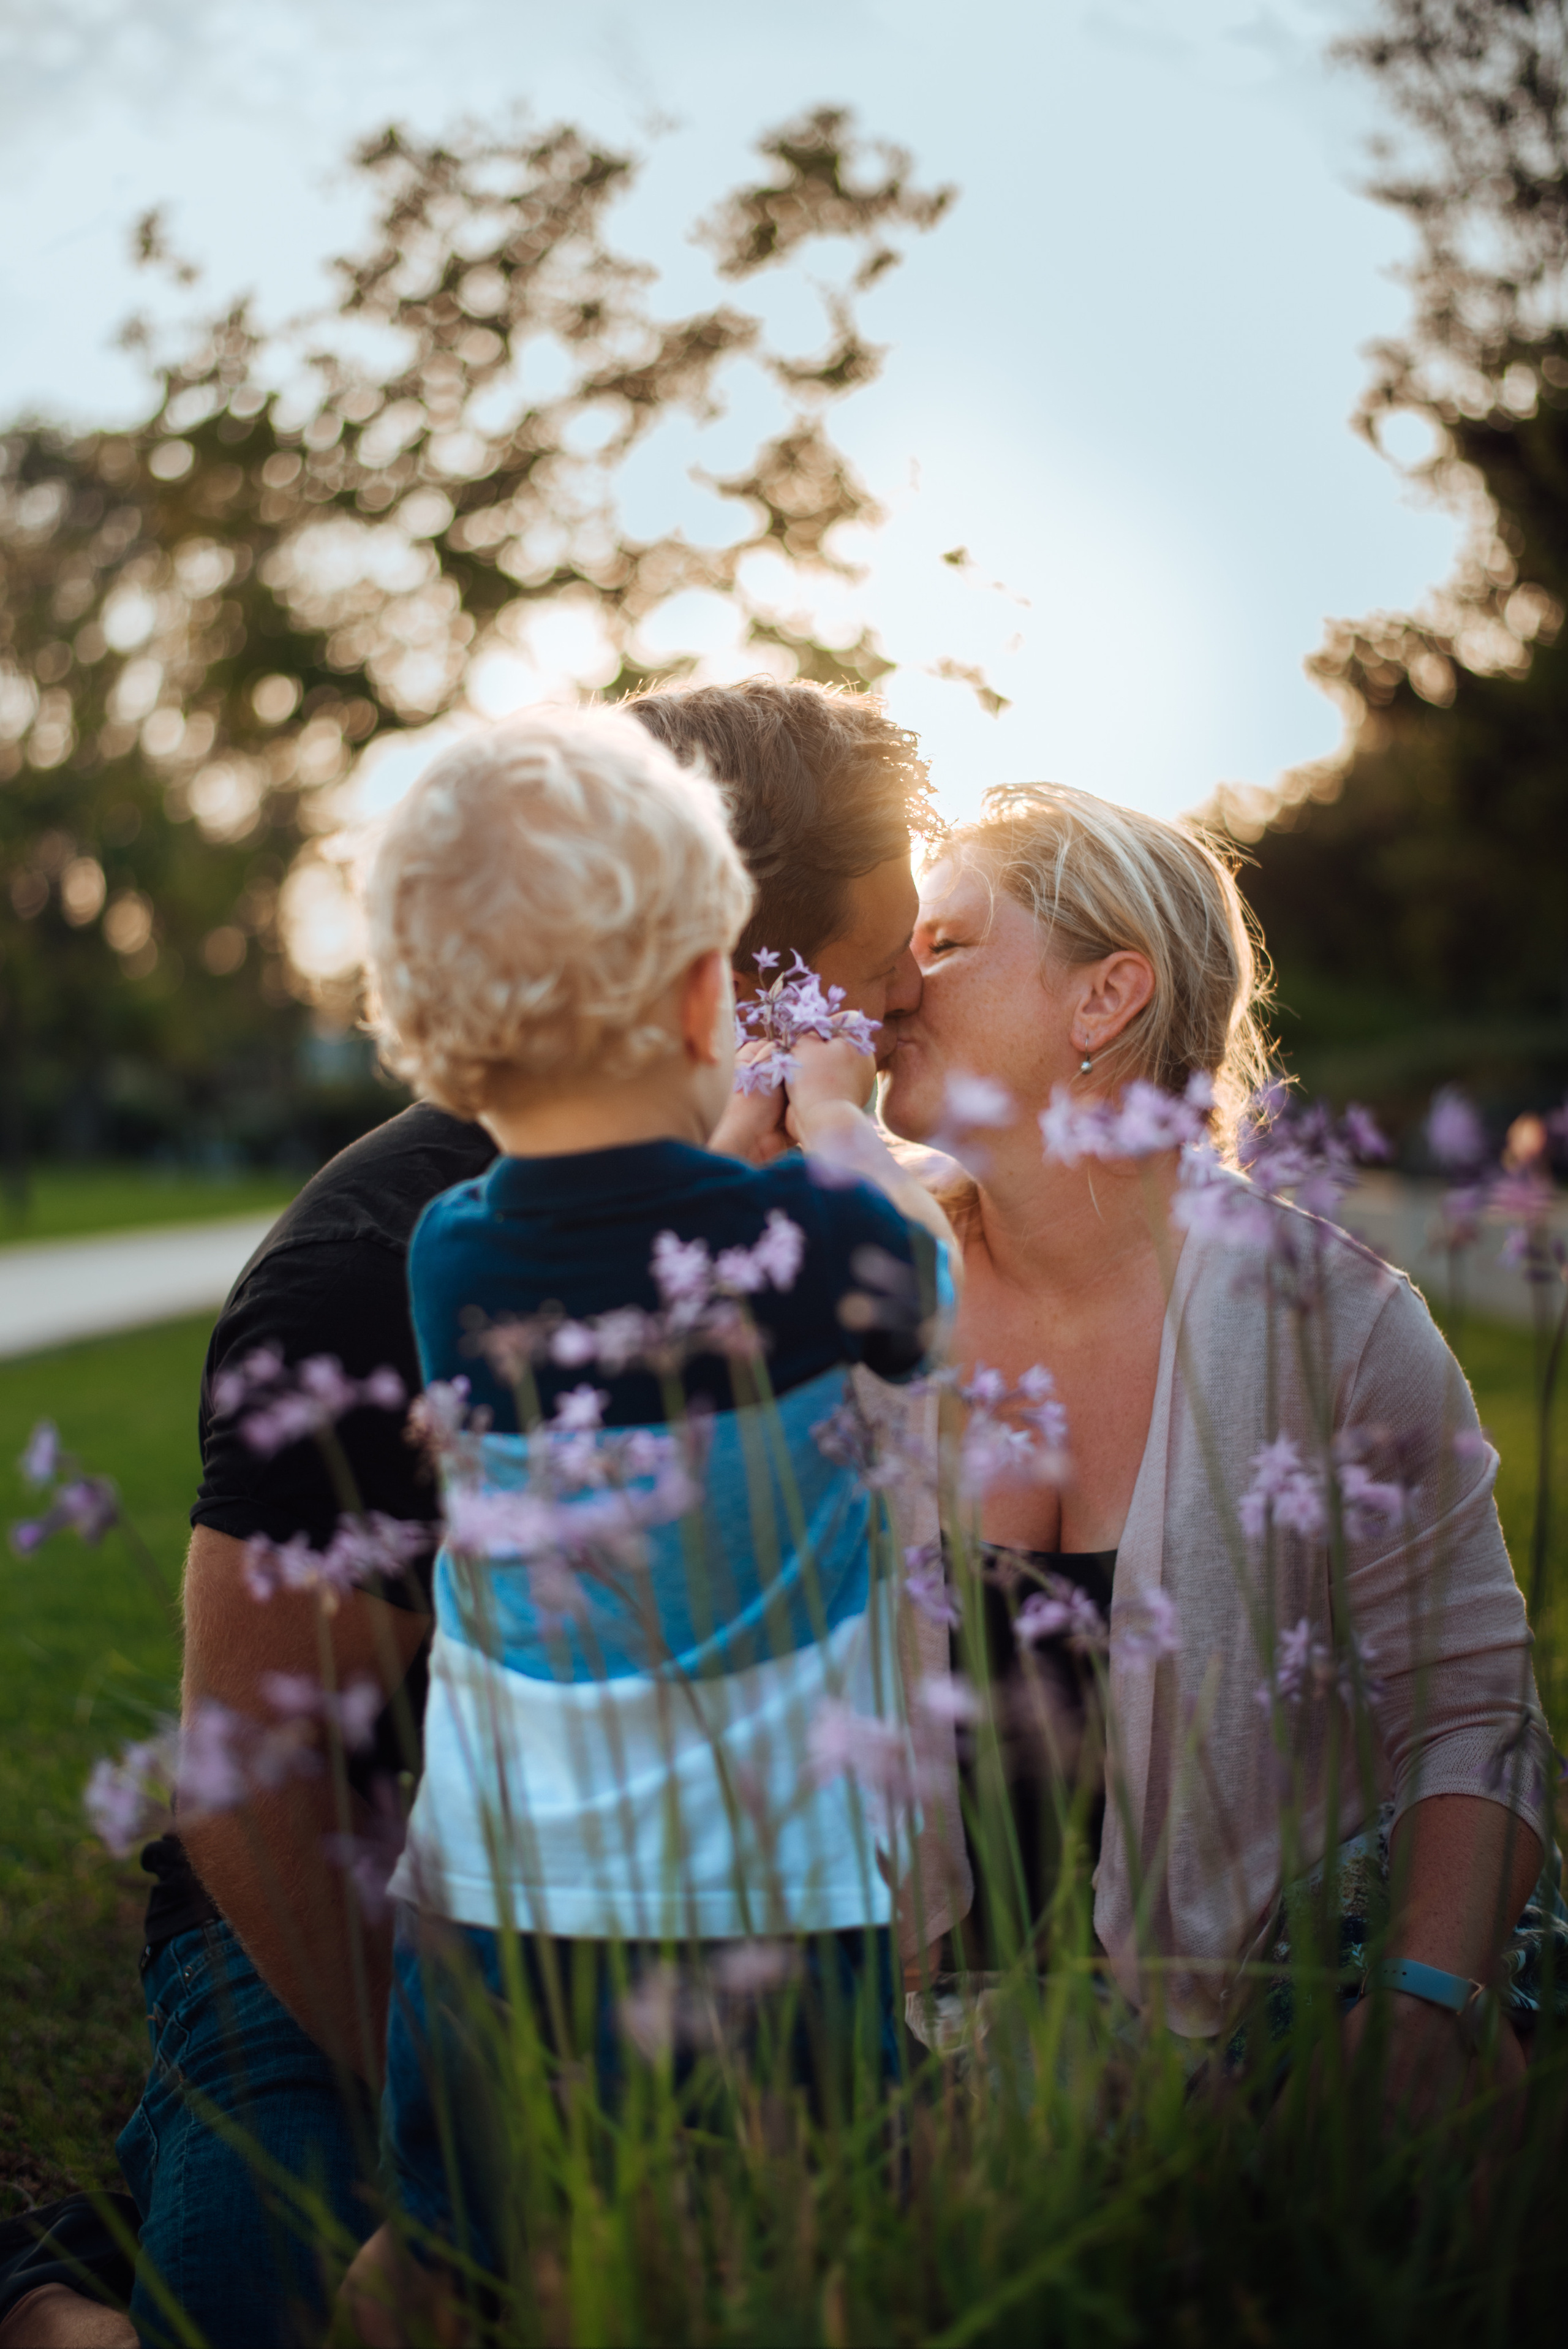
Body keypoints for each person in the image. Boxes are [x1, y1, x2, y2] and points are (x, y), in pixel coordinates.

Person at [97, 678, 939, 2348]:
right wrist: (488, 2127)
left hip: (694, 1913)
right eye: (887, 948)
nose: (915, 991)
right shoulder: (373, 1260)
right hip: (360, 1936)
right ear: (731, 979)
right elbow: (256, 1781)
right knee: (271, 2306)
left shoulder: (697, 1217)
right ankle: (65, 2289)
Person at [337, 706, 954, 2331]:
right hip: (772, 1887)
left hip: (494, 1899)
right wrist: (828, 1126)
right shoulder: (815, 1234)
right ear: (709, 989)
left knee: (463, 2248)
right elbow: (914, 1290)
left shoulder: (444, 1255)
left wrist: (745, 1173)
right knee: (823, 2235)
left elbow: (638, 1263)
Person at [875, 780, 1555, 2108]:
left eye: (945, 943)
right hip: (894, 2025)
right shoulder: (855, 1280)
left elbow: (1471, 1716)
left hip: (1244, 2003)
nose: (892, 980)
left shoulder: (1336, 1325)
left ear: (1102, 998)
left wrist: (1415, 2008)